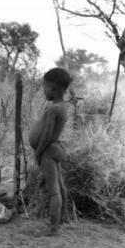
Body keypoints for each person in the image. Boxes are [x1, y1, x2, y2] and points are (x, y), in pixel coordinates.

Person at [29, 67, 70, 236]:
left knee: (54, 191)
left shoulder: (54, 109)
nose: (43, 91)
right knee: (60, 186)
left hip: (48, 151)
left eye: (44, 87)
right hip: (55, 148)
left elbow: (46, 135)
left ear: (52, 87)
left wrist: (38, 153)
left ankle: (54, 227)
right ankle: (64, 218)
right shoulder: (61, 106)